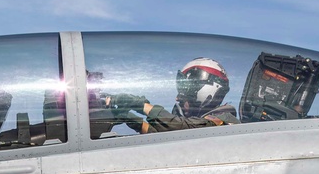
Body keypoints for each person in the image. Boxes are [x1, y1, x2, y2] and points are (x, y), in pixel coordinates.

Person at [90, 57, 237, 136]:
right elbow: (161, 134)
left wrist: (139, 104)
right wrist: (129, 118)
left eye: (186, 95)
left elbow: (183, 129)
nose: (178, 99)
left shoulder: (224, 122)